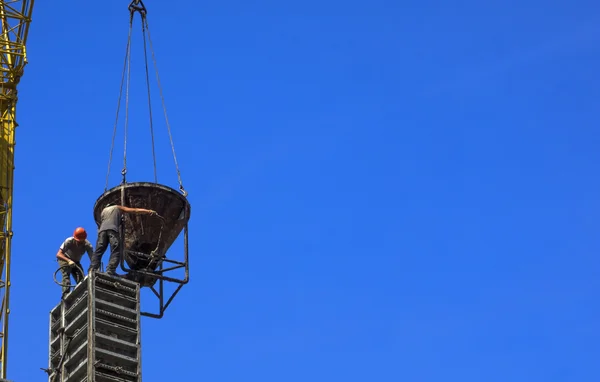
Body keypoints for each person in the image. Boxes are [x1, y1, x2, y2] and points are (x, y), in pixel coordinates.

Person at [89, 203, 157, 276]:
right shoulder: (117, 207)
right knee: (116, 250)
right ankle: (110, 270)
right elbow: (134, 210)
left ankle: (93, 269)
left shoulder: (103, 211)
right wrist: (148, 211)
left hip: (102, 232)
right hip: (112, 230)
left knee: (98, 251)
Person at [56, 227, 94, 298]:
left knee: (81, 278)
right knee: (66, 276)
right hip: (64, 258)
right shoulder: (69, 241)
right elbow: (58, 254)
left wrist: (93, 268)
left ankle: (82, 293)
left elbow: (93, 259)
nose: (79, 242)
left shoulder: (87, 245)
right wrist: (68, 260)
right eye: (78, 241)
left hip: (76, 261)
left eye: (81, 241)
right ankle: (65, 294)